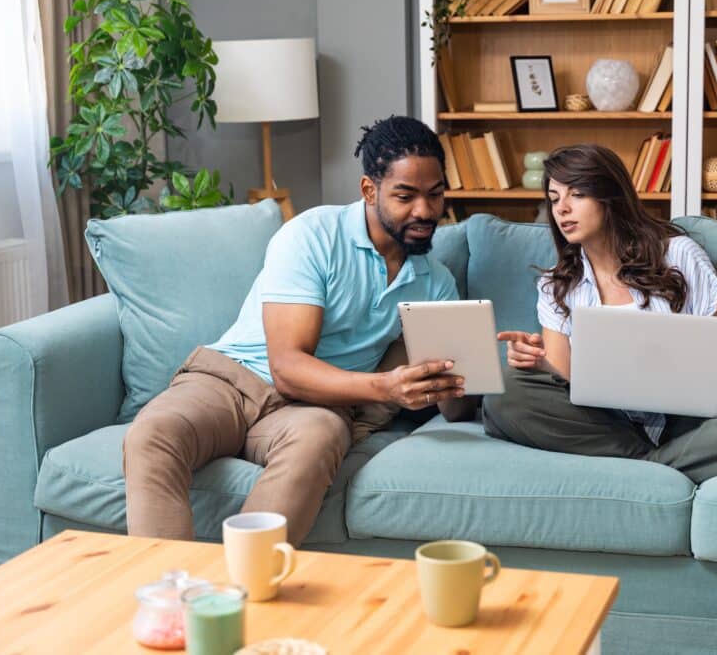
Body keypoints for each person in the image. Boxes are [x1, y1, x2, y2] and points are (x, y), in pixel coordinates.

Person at [123, 115, 475, 546]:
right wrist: (385, 387)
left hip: (314, 410)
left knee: (322, 437)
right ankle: (171, 599)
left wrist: (466, 378)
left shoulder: (435, 282)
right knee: (154, 435)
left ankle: (242, 596)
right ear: (369, 190)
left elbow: (456, 408)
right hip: (233, 382)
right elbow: (287, 366)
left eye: (435, 195)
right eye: (406, 196)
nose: (425, 211)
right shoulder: (313, 236)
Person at [482, 144, 717, 483]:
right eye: (553, 198)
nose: (562, 209)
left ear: (610, 197)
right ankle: (658, 465)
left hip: (686, 421)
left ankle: (637, 470)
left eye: (577, 194)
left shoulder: (679, 256)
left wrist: (685, 388)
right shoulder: (557, 284)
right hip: (604, 424)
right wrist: (538, 363)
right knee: (504, 392)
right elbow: (565, 377)